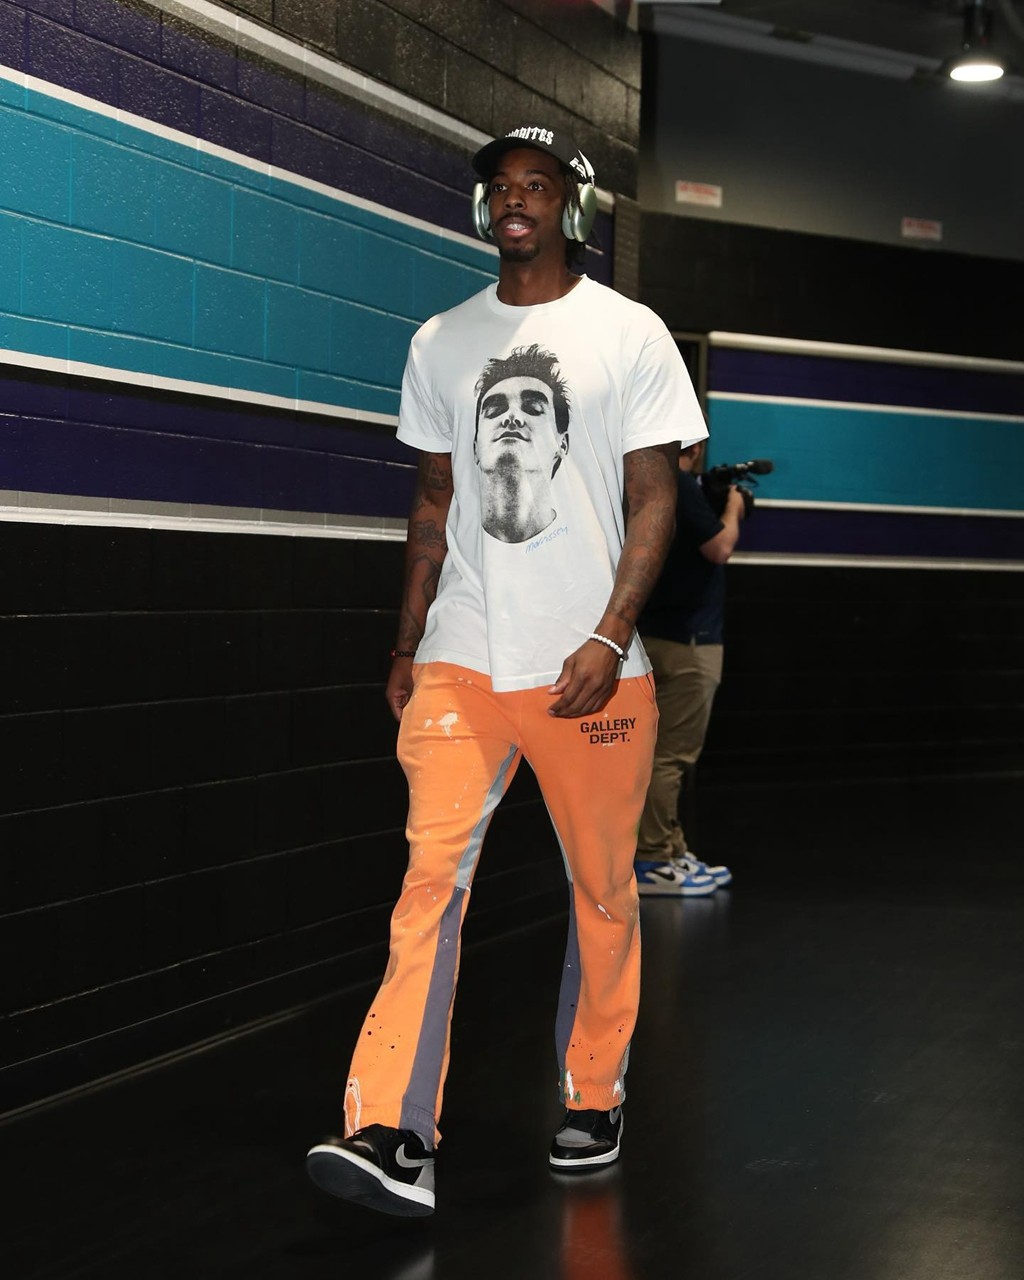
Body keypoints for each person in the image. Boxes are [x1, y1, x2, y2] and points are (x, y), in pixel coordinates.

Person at [305, 123, 707, 1216]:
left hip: (592, 670)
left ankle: (594, 1089)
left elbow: (654, 499)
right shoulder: (440, 340)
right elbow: (434, 498)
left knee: (603, 890)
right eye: (502, 186)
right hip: (462, 664)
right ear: (486, 208)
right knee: (427, 883)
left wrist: (610, 635)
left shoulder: (628, 332)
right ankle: (391, 1130)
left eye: (538, 184)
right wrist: (407, 641)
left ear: (570, 206)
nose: (517, 199)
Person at [633, 441, 745, 897]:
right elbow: (719, 548)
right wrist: (734, 508)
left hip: (653, 637)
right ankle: (654, 859)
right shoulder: (678, 484)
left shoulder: (644, 485)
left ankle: (669, 848)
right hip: (689, 643)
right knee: (670, 757)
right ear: (695, 447)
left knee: (658, 754)